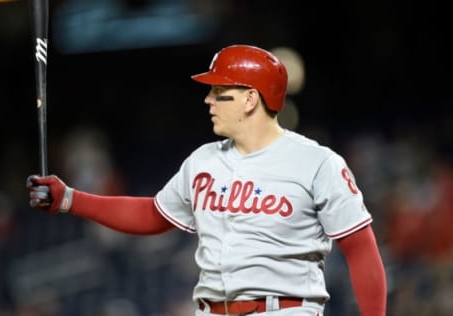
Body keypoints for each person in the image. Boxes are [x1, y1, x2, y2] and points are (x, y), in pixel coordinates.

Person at [27, 44, 387, 315]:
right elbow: (154, 215)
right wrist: (70, 199)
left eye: (219, 92)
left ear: (250, 99)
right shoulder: (204, 161)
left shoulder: (316, 162)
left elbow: (361, 249)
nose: (208, 100)